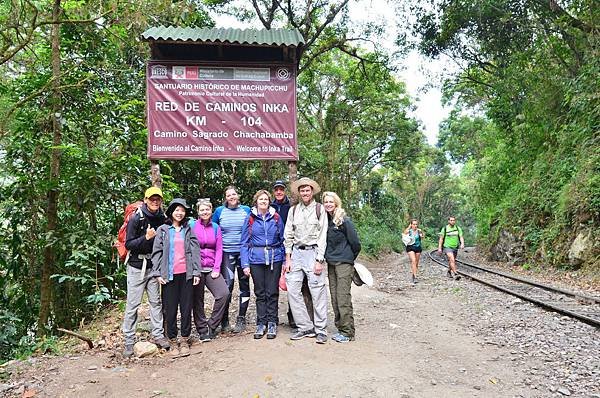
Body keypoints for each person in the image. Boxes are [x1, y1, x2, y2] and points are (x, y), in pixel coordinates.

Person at [121, 187, 170, 358]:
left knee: (156, 302)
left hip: (153, 266)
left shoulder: (162, 218)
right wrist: (146, 238)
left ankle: (158, 335)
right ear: (146, 199)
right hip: (136, 266)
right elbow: (129, 244)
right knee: (133, 304)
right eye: (152, 199)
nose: (155, 201)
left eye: (158, 199)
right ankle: (129, 340)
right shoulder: (137, 218)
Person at [151, 198, 201, 358]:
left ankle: (185, 339)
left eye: (182, 210)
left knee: (186, 308)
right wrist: (157, 273)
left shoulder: (188, 229)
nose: (180, 213)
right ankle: (172, 340)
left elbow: (195, 252)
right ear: (171, 212)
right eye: (177, 210)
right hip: (169, 276)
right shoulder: (163, 230)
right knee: (170, 309)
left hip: (186, 274)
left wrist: (196, 272)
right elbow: (157, 252)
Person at [283, 177, 329, 344]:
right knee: (292, 290)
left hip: (313, 252)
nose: (305, 193)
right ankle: (304, 326)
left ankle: (321, 329)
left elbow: (323, 235)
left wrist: (319, 259)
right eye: (302, 190)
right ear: (299, 193)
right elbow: (288, 234)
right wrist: (288, 259)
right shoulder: (293, 211)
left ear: (312, 191)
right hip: (296, 253)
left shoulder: (319, 209)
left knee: (318, 291)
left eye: (307, 190)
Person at [241, 190, 285, 339]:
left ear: (269, 201)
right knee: (260, 292)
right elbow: (244, 242)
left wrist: (285, 260)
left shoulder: (276, 218)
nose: (263, 201)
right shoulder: (250, 219)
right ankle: (261, 322)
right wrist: (245, 263)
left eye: (266, 199)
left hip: (275, 257)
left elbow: (283, 239)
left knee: (272, 291)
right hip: (256, 259)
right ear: (256, 201)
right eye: (261, 199)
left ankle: (272, 322)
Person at [271, 179, 313, 330]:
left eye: (281, 189)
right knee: (274, 284)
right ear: (274, 192)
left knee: (294, 283)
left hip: (292, 247)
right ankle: (272, 318)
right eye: (276, 189)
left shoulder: (292, 207)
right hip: (275, 248)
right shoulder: (270, 207)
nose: (279, 192)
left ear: (285, 191)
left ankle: (293, 316)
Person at [322, 191, 361, 343]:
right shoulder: (326, 220)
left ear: (336, 203)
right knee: (334, 297)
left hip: (344, 263)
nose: (328, 204)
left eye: (331, 202)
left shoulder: (344, 220)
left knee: (343, 297)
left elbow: (355, 243)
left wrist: (349, 258)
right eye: (326, 202)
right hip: (331, 263)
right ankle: (340, 327)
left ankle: (348, 332)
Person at [212, 186, 251, 333]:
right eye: (228, 195)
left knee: (244, 286)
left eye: (234, 194)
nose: (232, 197)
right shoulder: (219, 211)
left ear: (238, 195)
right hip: (226, 253)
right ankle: (224, 319)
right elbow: (213, 227)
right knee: (227, 287)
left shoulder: (246, 210)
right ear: (225, 198)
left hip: (243, 253)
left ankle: (241, 318)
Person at [190, 198, 230, 342]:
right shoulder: (192, 226)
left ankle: (212, 325)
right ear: (198, 212)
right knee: (197, 299)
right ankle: (202, 330)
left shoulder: (215, 227)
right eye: (202, 210)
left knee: (223, 294)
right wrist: (194, 269)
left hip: (212, 267)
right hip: (197, 268)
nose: (205, 212)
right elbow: (189, 248)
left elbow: (219, 249)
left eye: (207, 209)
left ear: (211, 211)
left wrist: (216, 268)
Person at [437, 216, 464, 280]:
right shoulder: (445, 229)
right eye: (451, 220)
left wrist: (462, 243)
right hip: (447, 247)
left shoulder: (458, 228)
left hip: (455, 247)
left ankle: (449, 272)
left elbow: (461, 237)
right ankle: (455, 273)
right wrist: (439, 248)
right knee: (451, 259)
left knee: (452, 261)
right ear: (448, 221)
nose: (452, 221)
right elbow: (441, 239)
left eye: (453, 220)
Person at [404, 219, 424, 284]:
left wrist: (422, 234)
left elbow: (423, 237)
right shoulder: (409, 231)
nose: (415, 225)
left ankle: (413, 274)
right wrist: (409, 226)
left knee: (416, 263)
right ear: (411, 225)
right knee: (413, 260)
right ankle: (415, 277)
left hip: (418, 247)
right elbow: (404, 233)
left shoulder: (419, 231)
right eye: (414, 224)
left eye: (416, 224)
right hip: (410, 247)